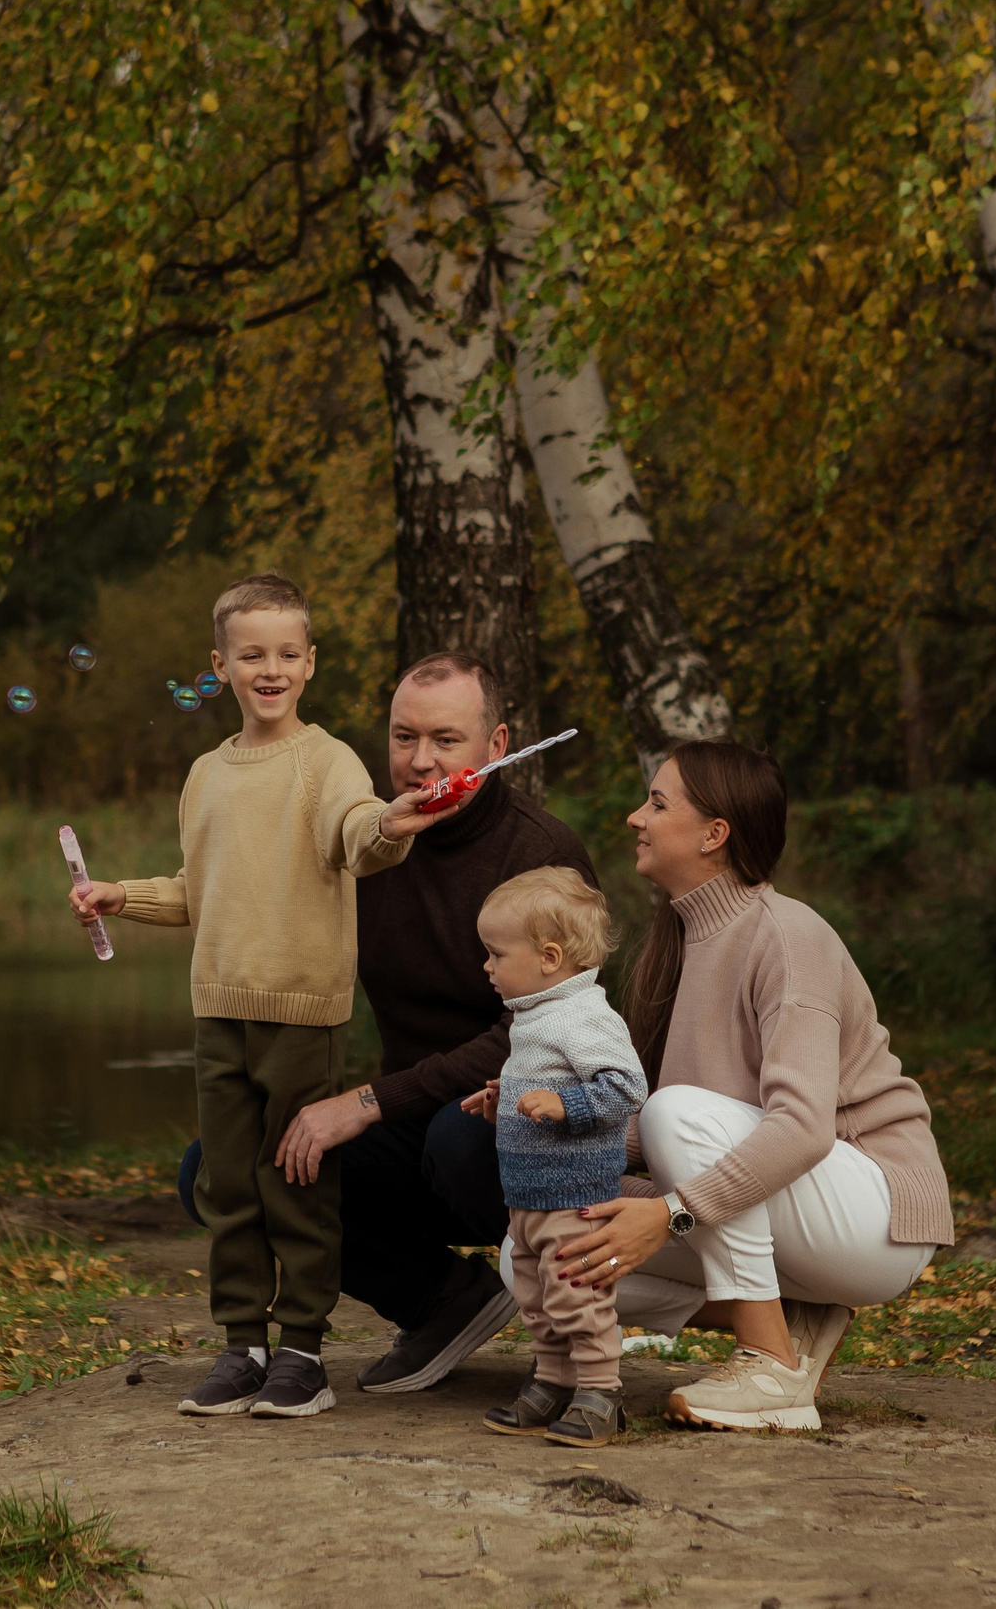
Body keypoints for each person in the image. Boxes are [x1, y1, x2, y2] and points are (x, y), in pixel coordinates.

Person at [70, 573, 460, 1421]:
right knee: (229, 1185)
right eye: (252, 654)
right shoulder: (205, 774)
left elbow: (357, 834)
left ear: (311, 661)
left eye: (287, 653)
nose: (271, 669)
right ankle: (242, 1344)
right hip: (218, 1012)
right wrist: (120, 896)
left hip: (300, 1015)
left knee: (298, 1186)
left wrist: (388, 825)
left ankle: (303, 1353)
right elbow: (196, 889)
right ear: (220, 666)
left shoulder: (327, 762)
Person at [182, 652, 599, 1395]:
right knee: (218, 1165)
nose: (420, 761)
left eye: (446, 739)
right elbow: (263, 915)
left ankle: (571, 1330)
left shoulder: (540, 853)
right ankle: (444, 1301)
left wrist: (369, 1100)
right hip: (411, 1117)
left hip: (516, 1115)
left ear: (498, 744)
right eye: (404, 737)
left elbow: (546, 1029)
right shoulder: (364, 841)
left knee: (457, 1136)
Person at [537, 739, 954, 1432]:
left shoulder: (788, 936)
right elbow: (685, 1130)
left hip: (875, 1214)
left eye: (657, 803)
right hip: (790, 1212)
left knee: (673, 1112)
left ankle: (769, 1363)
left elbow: (799, 1128)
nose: (635, 817)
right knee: (540, 1253)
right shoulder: (680, 940)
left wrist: (671, 1211)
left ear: (714, 834)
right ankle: (794, 1319)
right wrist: (564, 1124)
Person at [457, 867, 645, 1447]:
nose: (487, 966)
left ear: (549, 957)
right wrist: (505, 1103)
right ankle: (554, 1381)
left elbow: (627, 1088)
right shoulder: (536, 1017)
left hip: (573, 1198)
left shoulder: (584, 1016)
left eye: (496, 954)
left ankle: (601, 1392)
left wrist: (565, 1104)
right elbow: (543, 1090)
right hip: (528, 1199)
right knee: (536, 1298)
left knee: (577, 1296)